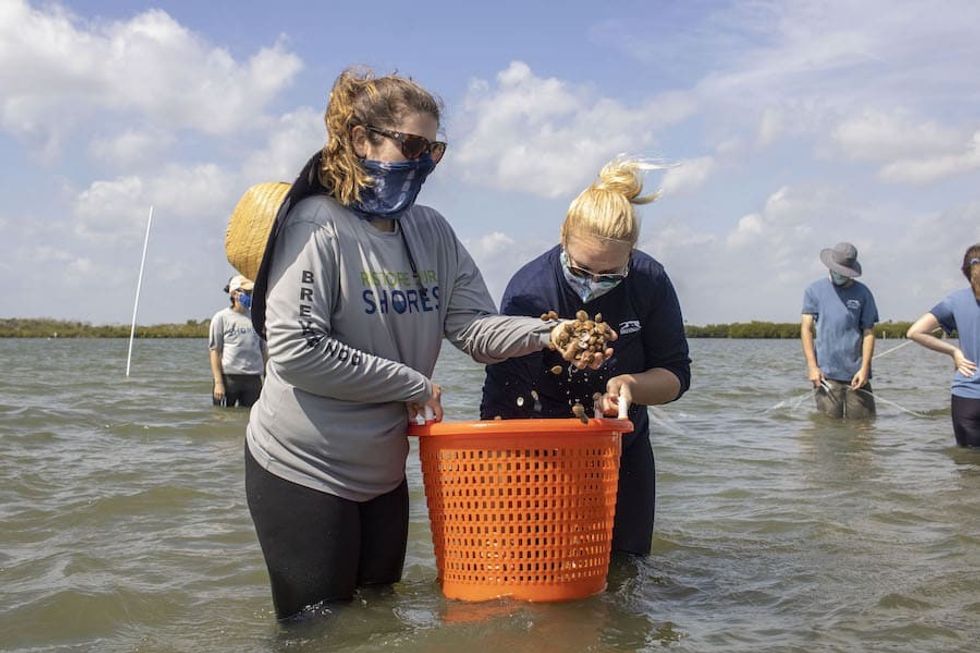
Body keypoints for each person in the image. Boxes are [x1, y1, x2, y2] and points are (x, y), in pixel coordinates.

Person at [243, 67, 613, 620]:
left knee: (375, 621)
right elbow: (297, 350)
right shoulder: (316, 225)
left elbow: (474, 328)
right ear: (361, 139)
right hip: (303, 467)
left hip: (383, 472)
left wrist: (549, 333)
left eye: (433, 151)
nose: (422, 164)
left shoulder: (431, 231)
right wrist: (409, 382)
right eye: (411, 146)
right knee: (316, 631)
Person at [480, 157, 692, 557]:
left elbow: (676, 374)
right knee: (535, 559)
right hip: (539, 444)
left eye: (610, 275)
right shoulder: (529, 290)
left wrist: (629, 387)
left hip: (619, 439)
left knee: (626, 565)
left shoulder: (650, 281)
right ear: (563, 237)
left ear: (632, 255)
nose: (593, 284)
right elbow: (506, 391)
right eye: (581, 271)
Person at [906, 245, 980, 447]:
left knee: (968, 468)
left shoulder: (954, 301)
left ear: (965, 272)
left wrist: (954, 352)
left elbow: (914, 332)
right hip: (967, 397)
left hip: (966, 397)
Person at [800, 241, 879, 419]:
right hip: (826, 375)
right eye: (837, 270)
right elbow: (806, 329)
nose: (840, 275)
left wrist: (864, 369)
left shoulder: (863, 293)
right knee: (828, 430)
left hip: (857, 375)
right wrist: (812, 367)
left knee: (863, 430)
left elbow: (869, 333)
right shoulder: (814, 291)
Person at [208, 274, 266, 407]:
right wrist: (218, 383)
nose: (251, 295)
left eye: (252, 292)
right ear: (234, 294)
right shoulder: (221, 318)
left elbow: (264, 350)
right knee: (222, 419)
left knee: (250, 418)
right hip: (229, 379)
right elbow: (215, 352)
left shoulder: (258, 317)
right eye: (247, 292)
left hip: (253, 379)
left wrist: (267, 377)